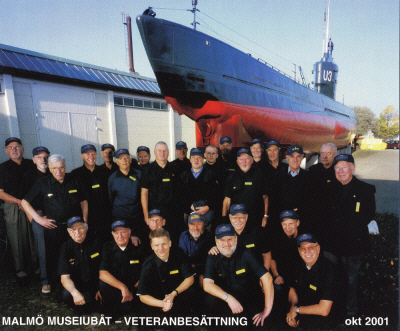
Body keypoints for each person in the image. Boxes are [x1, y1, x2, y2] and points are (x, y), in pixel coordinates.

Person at [21, 154, 88, 286]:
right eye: (55, 168)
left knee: (72, 254)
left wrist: (84, 221)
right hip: (54, 227)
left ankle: (73, 282)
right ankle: (48, 282)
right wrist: (39, 220)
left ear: (65, 167)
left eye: (61, 168)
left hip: (72, 228)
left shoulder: (74, 180)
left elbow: (84, 201)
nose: (59, 171)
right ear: (50, 169)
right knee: (52, 256)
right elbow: (24, 202)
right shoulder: (43, 183)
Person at [323, 154, 376, 317]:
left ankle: (351, 312)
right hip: (332, 245)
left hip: (354, 245)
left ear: (352, 168)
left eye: (344, 167)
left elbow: (368, 216)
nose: (340, 171)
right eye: (337, 168)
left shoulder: (366, 190)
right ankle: (332, 310)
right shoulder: (328, 189)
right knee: (330, 279)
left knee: (351, 280)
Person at [203, 224, 274, 327]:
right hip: (225, 298)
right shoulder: (213, 256)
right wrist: (228, 298)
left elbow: (267, 278)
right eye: (222, 240)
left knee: (260, 323)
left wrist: (266, 310)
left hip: (246, 297)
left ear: (236, 239)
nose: (226, 244)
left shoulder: (245, 253)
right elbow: (207, 284)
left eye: (230, 239)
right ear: (216, 240)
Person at [0, 137, 37, 285]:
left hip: (32, 204)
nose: (14, 149)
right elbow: (0, 193)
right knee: (16, 237)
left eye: (17, 146)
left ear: (22, 149)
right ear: (6, 151)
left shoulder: (31, 165)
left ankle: (37, 269)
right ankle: (21, 271)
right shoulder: (2, 168)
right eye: (11, 147)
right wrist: (19, 202)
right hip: (13, 205)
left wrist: (28, 202)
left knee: (34, 235)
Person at [137, 228, 195, 316]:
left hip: (176, 294)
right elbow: (142, 296)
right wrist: (163, 304)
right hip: (158, 300)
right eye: (156, 245)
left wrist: (173, 294)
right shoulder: (148, 265)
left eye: (164, 244)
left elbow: (190, 278)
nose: (161, 248)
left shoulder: (179, 254)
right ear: (152, 246)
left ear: (170, 243)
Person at [286, 233, 336, 329]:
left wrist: (296, 310)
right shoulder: (298, 265)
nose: (307, 251)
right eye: (303, 248)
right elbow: (293, 289)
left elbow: (324, 310)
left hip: (325, 314)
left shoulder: (329, 270)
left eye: (311, 247)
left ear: (318, 249)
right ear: (299, 251)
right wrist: (293, 307)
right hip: (304, 309)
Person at [21, 146, 51, 293]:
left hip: (54, 215)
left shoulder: (54, 173)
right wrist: (36, 220)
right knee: (43, 246)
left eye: (45, 156)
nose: (43, 159)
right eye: (39, 157)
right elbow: (24, 203)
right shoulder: (29, 177)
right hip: (38, 216)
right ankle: (45, 280)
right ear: (33, 160)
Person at [99, 220, 142, 318]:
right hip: (117, 288)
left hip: (134, 288)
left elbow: (145, 271)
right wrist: (123, 288)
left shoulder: (138, 247)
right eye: (117, 233)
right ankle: (113, 310)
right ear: (112, 234)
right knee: (103, 283)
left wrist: (131, 289)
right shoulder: (107, 248)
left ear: (129, 232)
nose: (120, 236)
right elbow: (103, 273)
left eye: (123, 232)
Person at [58, 216, 102, 313]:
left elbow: (105, 269)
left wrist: (100, 288)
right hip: (77, 284)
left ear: (86, 228)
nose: (77, 232)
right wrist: (74, 293)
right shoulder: (65, 248)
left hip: (94, 283)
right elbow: (65, 277)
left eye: (80, 228)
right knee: (66, 295)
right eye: (73, 229)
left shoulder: (96, 243)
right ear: (69, 232)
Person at [71, 144, 111, 243]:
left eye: (93, 154)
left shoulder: (104, 171)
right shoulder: (76, 174)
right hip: (87, 217)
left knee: (106, 241)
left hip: (104, 215)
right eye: (87, 154)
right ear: (82, 156)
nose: (91, 157)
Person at [270, 210, 304, 325]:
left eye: (290, 224)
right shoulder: (277, 239)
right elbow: (272, 259)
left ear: (297, 223)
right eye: (284, 224)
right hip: (283, 276)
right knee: (277, 288)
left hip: (301, 277)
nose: (287, 227)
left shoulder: (304, 238)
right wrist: (276, 275)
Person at [141, 142, 180, 241]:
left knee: (172, 239)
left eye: (165, 151)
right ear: (154, 153)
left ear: (168, 153)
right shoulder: (147, 170)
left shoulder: (174, 169)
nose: (162, 153)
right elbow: (144, 193)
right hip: (154, 215)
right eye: (159, 151)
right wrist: (146, 215)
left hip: (172, 213)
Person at [268, 145, 310, 234]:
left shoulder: (308, 177)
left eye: (298, 156)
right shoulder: (277, 176)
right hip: (281, 222)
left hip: (301, 222)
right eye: (292, 156)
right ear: (287, 158)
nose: (295, 159)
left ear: (302, 158)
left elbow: (310, 201)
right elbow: (272, 201)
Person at [222, 148, 269, 228]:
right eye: (241, 159)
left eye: (247, 159)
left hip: (255, 217)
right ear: (237, 162)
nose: (244, 162)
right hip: (237, 219)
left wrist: (265, 216)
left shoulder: (259, 174)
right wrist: (223, 219)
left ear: (252, 160)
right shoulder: (231, 177)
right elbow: (227, 200)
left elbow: (265, 197)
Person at [176, 147, 219, 226]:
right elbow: (180, 195)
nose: (196, 160)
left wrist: (208, 207)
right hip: (189, 211)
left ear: (203, 159)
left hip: (206, 213)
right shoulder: (183, 175)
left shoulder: (211, 175)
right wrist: (190, 206)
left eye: (199, 158)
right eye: (194, 158)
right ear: (190, 159)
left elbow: (216, 195)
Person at [108, 148, 143, 236]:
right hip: (120, 218)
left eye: (126, 157)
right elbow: (110, 198)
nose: (124, 160)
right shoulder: (112, 179)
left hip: (137, 218)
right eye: (121, 158)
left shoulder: (139, 174)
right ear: (117, 162)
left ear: (130, 160)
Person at [307, 143, 338, 236]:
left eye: (328, 153)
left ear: (335, 155)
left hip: (331, 218)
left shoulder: (339, 173)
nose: (324, 157)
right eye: (322, 153)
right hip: (315, 217)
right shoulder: (313, 170)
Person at [178, 213, 213, 289]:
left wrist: (202, 273)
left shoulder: (210, 237)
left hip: (205, 273)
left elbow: (210, 262)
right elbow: (183, 260)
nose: (195, 227)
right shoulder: (184, 236)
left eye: (199, 224)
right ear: (188, 225)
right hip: (188, 273)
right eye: (192, 224)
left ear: (204, 224)